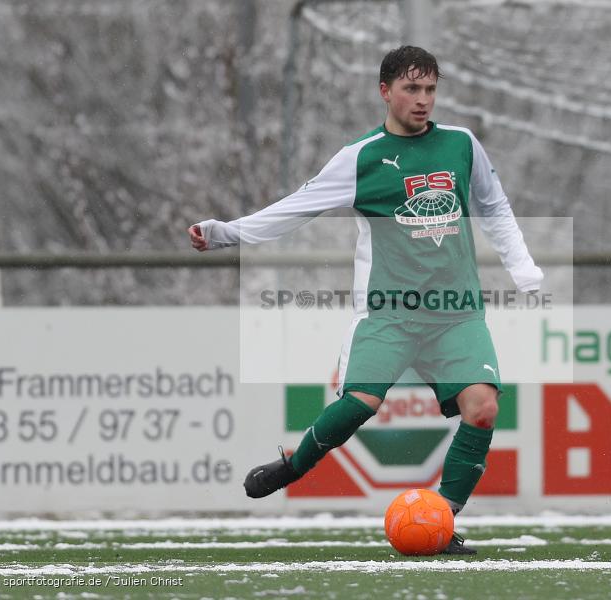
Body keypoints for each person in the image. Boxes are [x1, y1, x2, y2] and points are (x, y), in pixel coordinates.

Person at [188, 46, 542, 555]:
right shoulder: (360, 158)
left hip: (456, 313)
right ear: (385, 91)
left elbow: (495, 206)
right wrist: (226, 233)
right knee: (360, 405)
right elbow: (297, 208)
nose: (423, 100)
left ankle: (441, 519)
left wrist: (522, 267)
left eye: (430, 89)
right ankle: (295, 464)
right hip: (389, 312)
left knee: (483, 407)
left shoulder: (462, 144)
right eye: (411, 89)